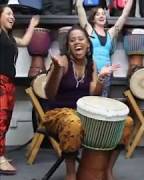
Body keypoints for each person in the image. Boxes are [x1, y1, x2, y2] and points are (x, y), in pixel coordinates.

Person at [44, 25, 113, 180]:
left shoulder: (91, 64)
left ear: (88, 44)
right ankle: (71, 174)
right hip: (58, 114)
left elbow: (93, 93)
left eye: (80, 39)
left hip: (82, 114)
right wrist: (56, 70)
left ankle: (107, 171)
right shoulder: (62, 61)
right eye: (72, 40)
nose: (77, 42)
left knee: (125, 123)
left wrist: (101, 78)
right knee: (73, 122)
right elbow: (49, 95)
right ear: (68, 46)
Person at [75, 1, 132, 178]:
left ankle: (100, 148)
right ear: (93, 19)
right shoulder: (89, 31)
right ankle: (85, 147)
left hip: (107, 77)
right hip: (92, 75)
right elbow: (80, 11)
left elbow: (123, 18)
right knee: (90, 110)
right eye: (98, 13)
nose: (102, 15)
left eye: (103, 13)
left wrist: (130, 2)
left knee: (104, 113)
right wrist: (78, 3)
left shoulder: (110, 33)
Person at [0, 5, 39, 175]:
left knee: (6, 120)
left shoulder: (9, 38)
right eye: (8, 13)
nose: (12, 16)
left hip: (10, 82)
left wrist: (32, 24)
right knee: (0, 120)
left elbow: (25, 42)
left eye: (13, 15)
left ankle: (0, 154)